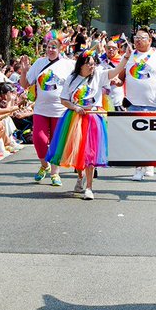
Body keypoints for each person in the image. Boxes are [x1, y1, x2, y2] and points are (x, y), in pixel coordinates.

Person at [113, 28, 156, 181]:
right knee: (136, 137)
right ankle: (139, 167)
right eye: (136, 37)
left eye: (142, 38)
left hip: (152, 103)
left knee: (150, 136)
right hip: (132, 103)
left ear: (149, 40)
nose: (138, 40)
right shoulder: (129, 55)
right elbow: (121, 78)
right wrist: (117, 81)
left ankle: (149, 163)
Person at [54, 51, 109, 200]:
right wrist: (75, 107)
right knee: (77, 150)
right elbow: (64, 99)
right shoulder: (71, 79)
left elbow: (115, 72)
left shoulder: (98, 75)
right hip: (75, 118)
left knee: (90, 152)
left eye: (93, 63)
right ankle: (80, 177)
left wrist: (126, 58)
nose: (92, 66)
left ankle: (89, 188)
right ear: (81, 65)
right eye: (89, 63)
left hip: (93, 117)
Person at [24, 38, 75, 186]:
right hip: (41, 109)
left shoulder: (69, 65)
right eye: (48, 47)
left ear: (60, 49)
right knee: (39, 139)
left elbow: (80, 79)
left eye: (54, 47)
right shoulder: (39, 63)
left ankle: (55, 173)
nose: (50, 50)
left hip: (60, 110)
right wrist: (24, 69)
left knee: (56, 143)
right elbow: (25, 83)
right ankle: (44, 165)